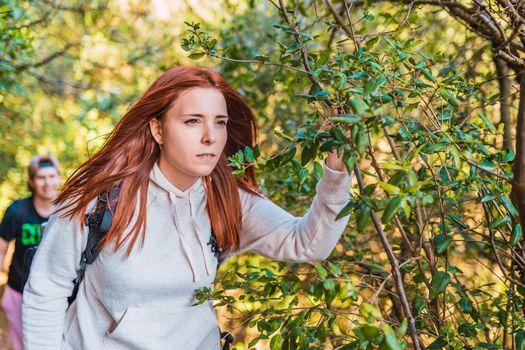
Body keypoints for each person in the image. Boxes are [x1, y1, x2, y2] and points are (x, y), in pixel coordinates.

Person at [22, 66, 352, 349]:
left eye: (219, 122)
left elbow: (308, 243)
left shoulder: (227, 198)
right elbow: (46, 290)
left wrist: (337, 172)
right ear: (158, 129)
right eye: (193, 121)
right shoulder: (99, 198)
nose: (210, 136)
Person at [0, 155, 61, 350]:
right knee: (22, 345)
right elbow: (1, 249)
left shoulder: (67, 210)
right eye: (41, 177)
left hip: (55, 294)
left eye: (52, 176)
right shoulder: (17, 211)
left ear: (59, 177)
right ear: (31, 181)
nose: (48, 182)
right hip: (19, 291)